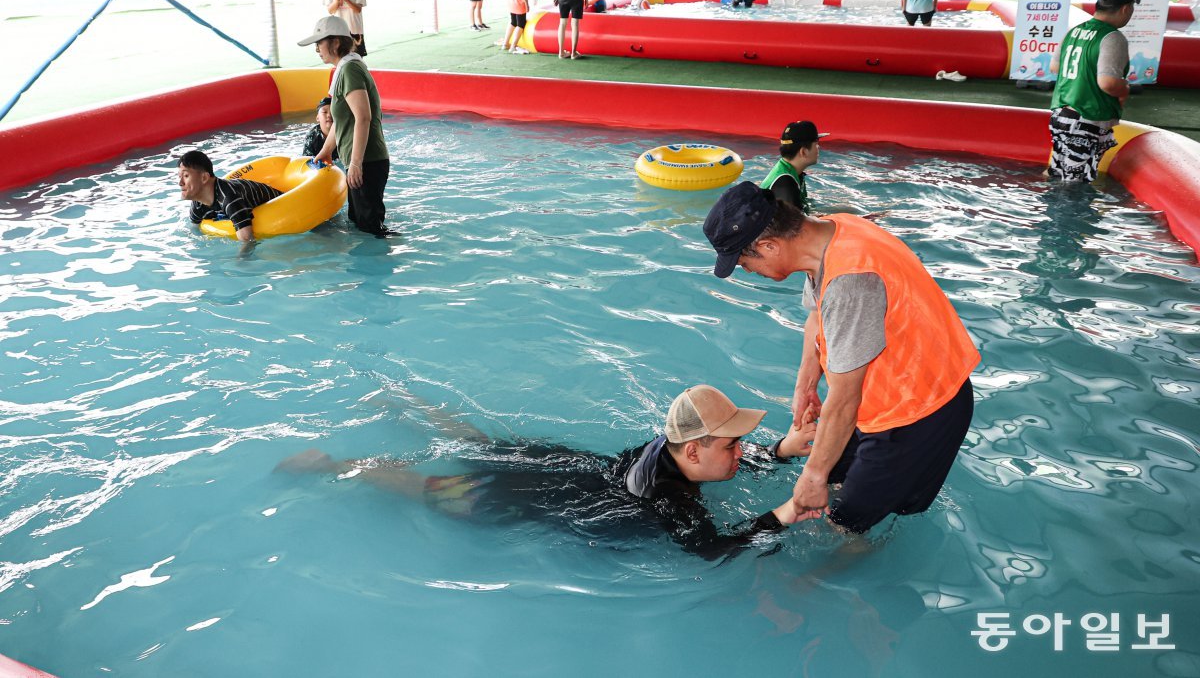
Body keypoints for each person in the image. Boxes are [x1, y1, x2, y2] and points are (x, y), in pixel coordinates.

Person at [703, 182, 980, 534]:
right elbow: (818, 314)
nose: (744, 270)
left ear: (769, 246)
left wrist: (813, 475)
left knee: (843, 526)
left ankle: (831, 581)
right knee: (834, 483)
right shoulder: (833, 231)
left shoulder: (850, 281)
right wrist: (806, 382)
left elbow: (846, 396)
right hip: (884, 397)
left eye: (742, 261)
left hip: (918, 411)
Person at [277, 385, 819, 560]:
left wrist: (781, 451)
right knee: (429, 491)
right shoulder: (676, 503)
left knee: (483, 447)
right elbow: (712, 550)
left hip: (554, 465)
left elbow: (722, 462)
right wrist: (789, 511)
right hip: (525, 500)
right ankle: (337, 466)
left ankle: (405, 403)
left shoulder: (660, 447)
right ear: (695, 451)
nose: (740, 450)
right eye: (733, 443)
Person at [298, 15, 392, 236]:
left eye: (319, 43)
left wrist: (356, 163)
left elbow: (363, 117)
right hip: (361, 161)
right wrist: (324, 152)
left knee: (370, 230)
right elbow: (341, 121)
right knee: (360, 224)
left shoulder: (350, 70)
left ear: (336, 42)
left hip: (367, 161)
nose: (316, 49)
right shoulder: (343, 69)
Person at [1046, 0, 1139, 183]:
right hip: (1087, 119)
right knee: (1075, 186)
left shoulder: (1074, 31)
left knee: (1058, 175)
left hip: (1061, 116)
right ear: (1126, 8)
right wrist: (1124, 88)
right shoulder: (1112, 37)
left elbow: (1055, 67)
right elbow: (1107, 82)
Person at [178, 149, 281, 243]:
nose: (180, 183)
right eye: (179, 177)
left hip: (280, 203)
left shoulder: (229, 197)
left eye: (186, 176)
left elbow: (248, 240)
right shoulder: (198, 204)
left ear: (204, 177)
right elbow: (195, 230)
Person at [760, 120, 829, 213]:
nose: (818, 147)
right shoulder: (785, 184)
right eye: (816, 144)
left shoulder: (789, 171)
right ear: (803, 152)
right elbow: (795, 226)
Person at [301, 97, 338, 162]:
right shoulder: (312, 136)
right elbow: (307, 162)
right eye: (324, 112)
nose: (329, 115)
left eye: (333, 111)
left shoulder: (344, 133)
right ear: (318, 118)